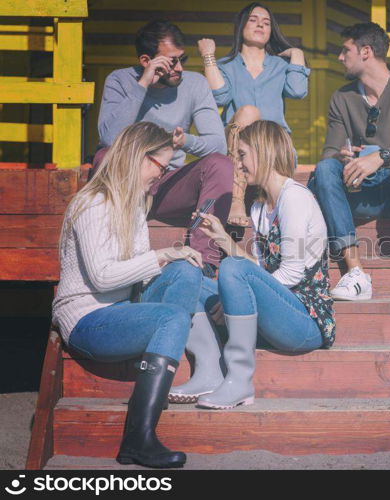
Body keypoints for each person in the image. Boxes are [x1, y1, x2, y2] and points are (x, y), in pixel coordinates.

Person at [53, 122, 205, 468]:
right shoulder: (93, 202)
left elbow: (139, 271)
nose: (162, 175)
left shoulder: (135, 203)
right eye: (161, 166)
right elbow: (103, 277)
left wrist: (175, 259)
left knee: (185, 270)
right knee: (172, 315)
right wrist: (162, 255)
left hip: (121, 309)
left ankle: (156, 383)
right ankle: (137, 439)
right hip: (87, 321)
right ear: (139, 156)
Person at [168, 120, 335, 408]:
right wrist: (222, 239)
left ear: (263, 151)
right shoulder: (259, 207)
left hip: (305, 323)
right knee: (187, 274)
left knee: (232, 268)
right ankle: (208, 371)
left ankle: (240, 380)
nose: (239, 165)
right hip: (274, 313)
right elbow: (259, 266)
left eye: (242, 155)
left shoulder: (294, 198)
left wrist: (236, 291)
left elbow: (291, 273)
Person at [307, 22, 390, 303]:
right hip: (360, 192)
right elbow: (329, 153)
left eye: (346, 50)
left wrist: (380, 157)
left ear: (366, 51)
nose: (340, 57)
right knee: (324, 169)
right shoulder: (342, 98)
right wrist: (341, 157)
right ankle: (355, 273)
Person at [96, 20, 233, 276]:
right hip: (129, 184)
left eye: (183, 59)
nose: (180, 68)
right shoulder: (120, 80)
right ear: (147, 60)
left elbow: (218, 144)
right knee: (103, 157)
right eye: (172, 62)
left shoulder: (195, 83)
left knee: (220, 164)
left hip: (170, 185)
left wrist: (186, 142)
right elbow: (110, 139)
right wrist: (144, 83)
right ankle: (111, 254)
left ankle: (204, 264)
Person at [197, 2, 310, 226]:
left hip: (273, 146)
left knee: (264, 127)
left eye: (266, 22)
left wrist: (297, 53)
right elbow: (218, 97)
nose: (261, 25)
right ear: (241, 27)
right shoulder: (226, 65)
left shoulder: (280, 65)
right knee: (248, 112)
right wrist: (208, 56)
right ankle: (237, 199)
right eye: (253, 19)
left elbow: (298, 91)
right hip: (237, 146)